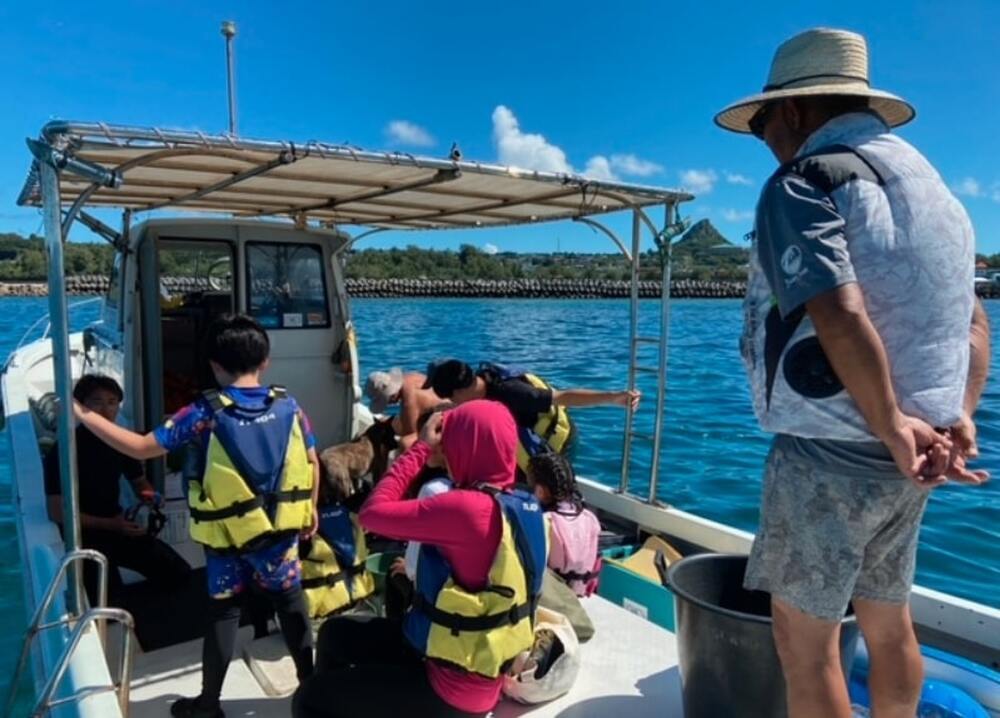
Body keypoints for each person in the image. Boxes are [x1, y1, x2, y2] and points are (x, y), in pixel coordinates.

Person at [715, 28, 990, 718]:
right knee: (888, 621)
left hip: (829, 453)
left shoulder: (804, 182)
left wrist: (891, 422)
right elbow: (975, 326)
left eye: (763, 125)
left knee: (805, 647)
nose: (765, 142)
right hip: (914, 459)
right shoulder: (939, 197)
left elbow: (839, 310)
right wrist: (957, 416)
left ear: (794, 110)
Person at [73, 315, 319, 718]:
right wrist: (311, 508)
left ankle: (208, 705)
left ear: (215, 366)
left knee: (225, 613)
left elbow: (141, 447)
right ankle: (311, 687)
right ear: (265, 361)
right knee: (291, 605)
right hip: (281, 533)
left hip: (226, 539)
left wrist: (86, 416)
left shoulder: (202, 412)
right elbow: (311, 461)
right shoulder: (289, 406)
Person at [292, 400, 548, 718]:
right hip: (459, 657)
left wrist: (420, 449)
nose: (447, 452)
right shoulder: (526, 506)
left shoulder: (469, 511)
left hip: (452, 687)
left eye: (452, 442)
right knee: (335, 635)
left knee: (309, 699)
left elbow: (372, 514)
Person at [44, 374, 190, 605]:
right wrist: (111, 524)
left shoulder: (120, 443)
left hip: (118, 527)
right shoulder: (63, 450)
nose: (105, 410)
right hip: (82, 534)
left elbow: (139, 482)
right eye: (97, 402)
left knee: (179, 573)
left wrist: (150, 496)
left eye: (112, 402)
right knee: (108, 599)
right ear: (81, 407)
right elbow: (57, 512)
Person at [423, 359, 640, 472]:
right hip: (524, 440)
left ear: (459, 392)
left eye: (451, 398)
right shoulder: (480, 380)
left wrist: (613, 398)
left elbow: (563, 396)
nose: (453, 403)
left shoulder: (512, 393)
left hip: (556, 445)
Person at [527, 452, 601, 597]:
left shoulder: (545, 522)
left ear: (540, 491)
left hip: (552, 598)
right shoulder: (590, 519)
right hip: (579, 594)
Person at [365, 367, 444, 449]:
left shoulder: (409, 402)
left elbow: (411, 433)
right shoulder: (409, 377)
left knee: (405, 442)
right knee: (392, 423)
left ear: (391, 396)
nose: (388, 404)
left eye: (386, 401)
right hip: (440, 413)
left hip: (444, 424)